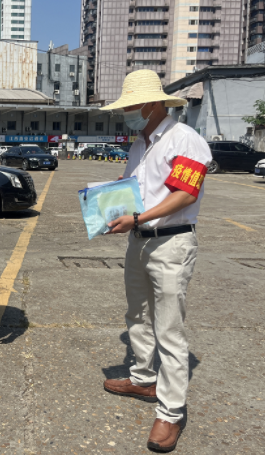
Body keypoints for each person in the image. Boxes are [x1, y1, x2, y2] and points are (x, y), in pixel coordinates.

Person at [100, 70, 212, 453]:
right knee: (137, 315)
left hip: (171, 244)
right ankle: (143, 378)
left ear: (150, 104)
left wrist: (138, 218)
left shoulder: (186, 141)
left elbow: (183, 195)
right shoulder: (139, 144)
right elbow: (136, 191)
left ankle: (171, 412)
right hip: (140, 241)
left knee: (169, 329)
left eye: (130, 105)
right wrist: (110, 202)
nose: (127, 112)